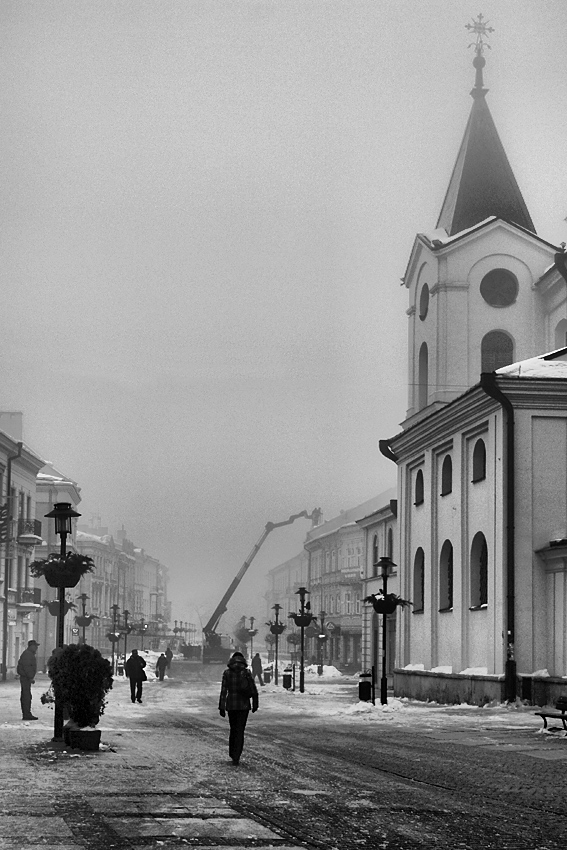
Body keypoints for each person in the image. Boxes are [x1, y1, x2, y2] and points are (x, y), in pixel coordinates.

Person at [218, 651, 258, 766]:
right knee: (240, 730)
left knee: (233, 729)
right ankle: (237, 755)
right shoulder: (246, 673)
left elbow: (223, 691)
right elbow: (253, 689)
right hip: (244, 706)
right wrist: (255, 703)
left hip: (231, 706)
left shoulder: (227, 673)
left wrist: (222, 707)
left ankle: (232, 753)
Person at [17, 639, 39, 720]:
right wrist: (30, 677)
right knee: (26, 696)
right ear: (31, 646)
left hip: (25, 678)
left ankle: (26, 713)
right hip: (26, 678)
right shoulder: (28, 655)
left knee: (26, 695)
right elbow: (27, 667)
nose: (36, 648)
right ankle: (26, 714)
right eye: (35, 646)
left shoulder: (28, 654)